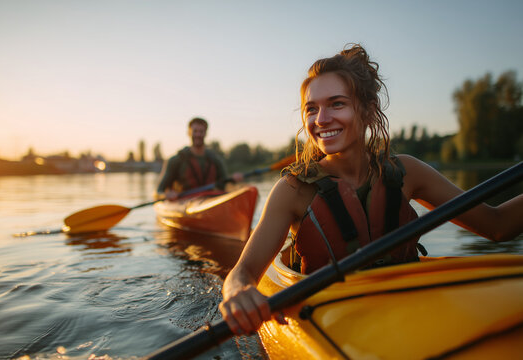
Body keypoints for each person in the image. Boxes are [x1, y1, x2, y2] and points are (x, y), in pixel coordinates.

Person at [219, 44, 523, 336]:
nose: (322, 120)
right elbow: (242, 273)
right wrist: (237, 293)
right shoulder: (292, 190)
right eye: (312, 109)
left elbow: (498, 226)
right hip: (331, 320)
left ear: (368, 110)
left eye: (337, 104)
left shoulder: (407, 172)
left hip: (409, 311)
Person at [155, 117, 242, 200]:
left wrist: (233, 180)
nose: (198, 135)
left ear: (205, 133)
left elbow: (225, 185)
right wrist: (166, 195)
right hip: (183, 202)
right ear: (189, 133)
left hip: (209, 201)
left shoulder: (216, 160)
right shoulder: (175, 160)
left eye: (201, 131)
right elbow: (158, 192)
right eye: (195, 131)